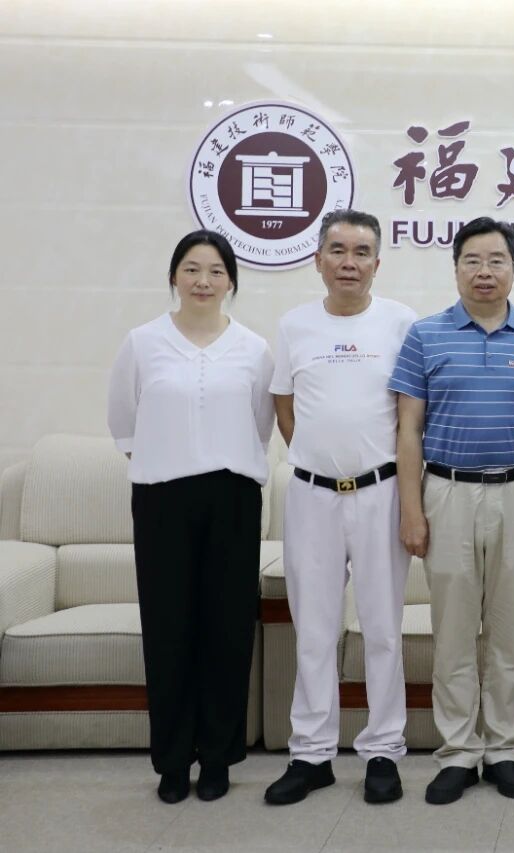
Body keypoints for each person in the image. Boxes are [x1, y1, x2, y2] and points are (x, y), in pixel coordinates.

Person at [390, 216, 514, 804]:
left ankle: (505, 750)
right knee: (454, 632)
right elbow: (408, 429)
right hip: (446, 493)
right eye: (472, 260)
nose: (484, 271)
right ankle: (459, 752)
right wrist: (411, 509)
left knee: (509, 631)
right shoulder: (425, 335)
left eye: (496, 260)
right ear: (456, 268)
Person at [107, 230, 274, 804]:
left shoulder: (253, 349)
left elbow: (260, 425)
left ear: (231, 282)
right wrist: (170, 462)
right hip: (162, 498)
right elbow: (125, 423)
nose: (204, 281)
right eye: (192, 269)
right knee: (168, 628)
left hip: (233, 497)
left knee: (227, 628)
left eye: (216, 271)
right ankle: (173, 760)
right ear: (174, 276)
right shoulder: (142, 343)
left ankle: (219, 756)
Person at [264, 210, 416, 806]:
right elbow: (285, 405)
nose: (348, 262)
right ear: (318, 259)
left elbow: (412, 414)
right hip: (311, 495)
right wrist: (319, 460)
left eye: (361, 252)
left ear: (377, 263)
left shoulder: (401, 322)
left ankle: (383, 750)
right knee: (314, 629)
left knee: (382, 629)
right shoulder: (295, 325)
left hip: (381, 492)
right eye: (337, 250)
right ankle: (311, 754)